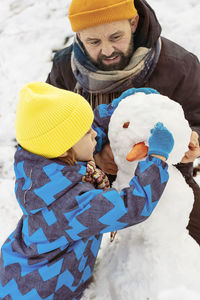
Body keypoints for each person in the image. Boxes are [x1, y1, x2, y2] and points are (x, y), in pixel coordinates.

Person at [0, 82, 174, 299]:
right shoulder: (69, 205)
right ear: (63, 150)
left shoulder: (45, 167)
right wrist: (157, 159)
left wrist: (118, 109)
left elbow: (84, 136)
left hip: (26, 267)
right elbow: (130, 207)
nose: (94, 134)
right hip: (40, 291)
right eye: (87, 132)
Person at [46, 0, 200, 245]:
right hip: (86, 189)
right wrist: (94, 157)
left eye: (116, 37)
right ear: (79, 35)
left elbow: (197, 119)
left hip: (167, 185)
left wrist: (192, 137)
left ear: (134, 22)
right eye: (93, 42)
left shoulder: (178, 66)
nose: (107, 50)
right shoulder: (66, 68)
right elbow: (48, 135)